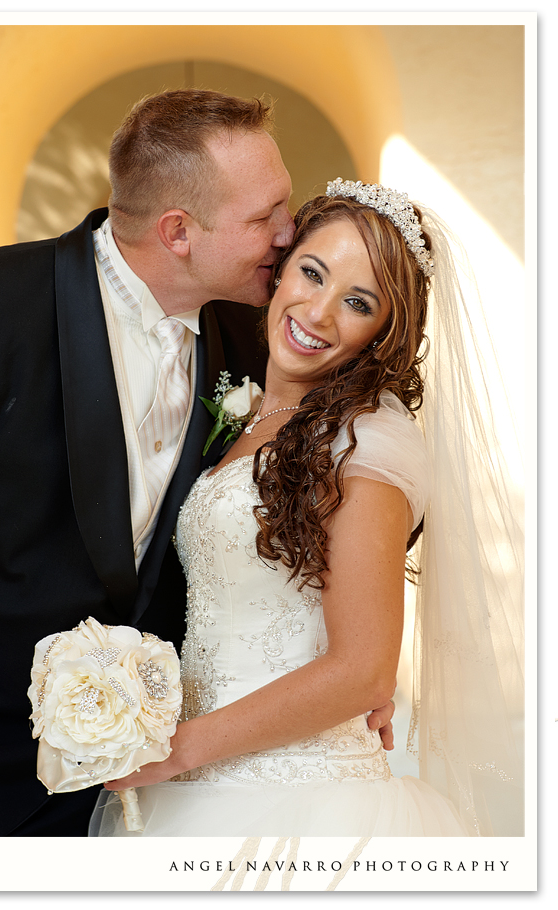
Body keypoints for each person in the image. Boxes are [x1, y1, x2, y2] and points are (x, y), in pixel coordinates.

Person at [0, 90, 394, 837]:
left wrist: (365, 646)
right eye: (265, 215)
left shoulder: (266, 334)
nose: (287, 231)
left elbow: (348, 481)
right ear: (178, 231)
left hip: (168, 779)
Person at [94, 180, 524, 838]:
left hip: (301, 798)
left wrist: (179, 750)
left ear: (383, 332)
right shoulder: (247, 408)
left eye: (357, 302)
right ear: (280, 270)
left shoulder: (362, 440)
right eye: (312, 273)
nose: (319, 313)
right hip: (194, 778)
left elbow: (363, 670)